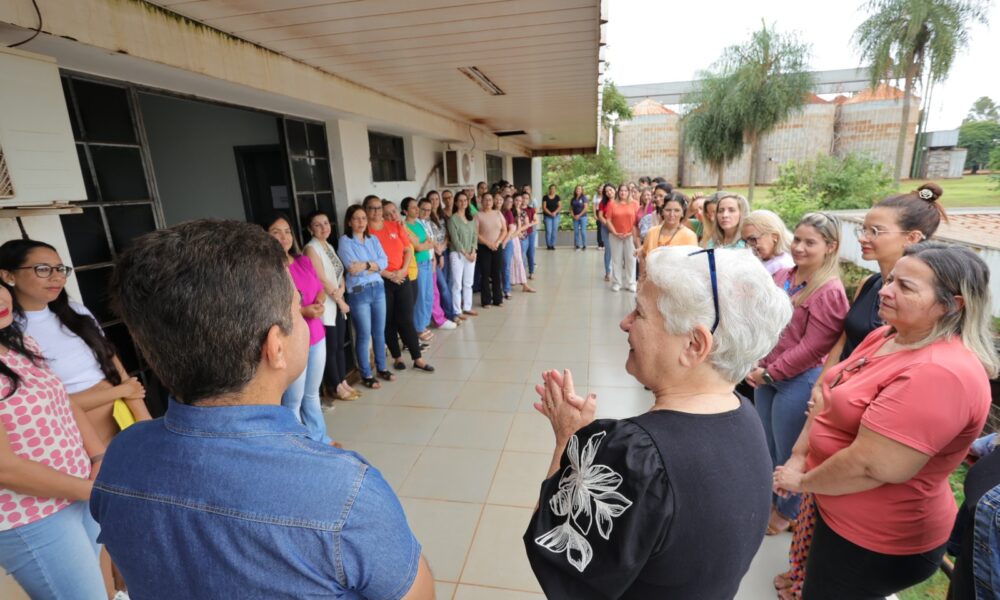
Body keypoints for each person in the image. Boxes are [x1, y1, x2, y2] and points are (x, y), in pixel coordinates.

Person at [92, 219, 434, 598]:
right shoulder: (345, 492)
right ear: (275, 345)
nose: (305, 316)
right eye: (296, 309)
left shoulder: (122, 455)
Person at [524, 246, 793, 598]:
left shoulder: (636, 455)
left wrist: (568, 442)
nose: (624, 322)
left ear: (694, 344)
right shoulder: (744, 415)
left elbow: (556, 548)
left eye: (640, 312)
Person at [773, 241, 997, 599]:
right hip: (840, 515)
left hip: (876, 539)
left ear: (952, 305)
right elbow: (828, 400)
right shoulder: (887, 335)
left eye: (905, 287)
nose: (886, 291)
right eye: (891, 280)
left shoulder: (940, 373)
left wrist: (803, 482)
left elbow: (870, 467)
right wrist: (801, 454)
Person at [773, 183, 948, 599]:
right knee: (818, 508)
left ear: (913, 240)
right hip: (836, 399)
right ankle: (802, 573)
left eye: (875, 231)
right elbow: (845, 339)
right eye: (864, 229)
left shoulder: (926, 333)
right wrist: (825, 381)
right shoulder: (871, 286)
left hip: (863, 420)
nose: (864, 239)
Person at [0, 280, 109, 599]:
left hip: (78, 488)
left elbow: (65, 401)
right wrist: (94, 490)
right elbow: (5, 469)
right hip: (31, 514)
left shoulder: (20, 342)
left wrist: (99, 458)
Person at [745, 213, 849, 535]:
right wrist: (756, 363)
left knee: (790, 451)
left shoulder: (829, 291)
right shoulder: (784, 276)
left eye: (810, 242)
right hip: (766, 374)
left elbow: (812, 347)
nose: (800, 247)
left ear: (830, 247)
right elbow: (767, 323)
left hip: (796, 380)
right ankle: (769, 499)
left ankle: (786, 511)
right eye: (798, 240)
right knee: (767, 445)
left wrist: (770, 373)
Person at [0, 240, 153, 445]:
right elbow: (48, 403)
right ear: (8, 276)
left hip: (122, 418)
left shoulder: (75, 312)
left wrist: (143, 419)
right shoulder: (11, 333)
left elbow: (113, 362)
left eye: (60, 269)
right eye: (43, 269)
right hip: (79, 438)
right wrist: (121, 391)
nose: (57, 277)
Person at [265, 214, 331, 444]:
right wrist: (303, 312)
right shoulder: (267, 271)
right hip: (292, 339)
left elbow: (319, 287)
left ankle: (320, 440)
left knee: (312, 394)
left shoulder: (303, 261)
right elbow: (271, 309)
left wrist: (320, 302)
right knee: (293, 400)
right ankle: (299, 446)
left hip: (315, 335)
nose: (284, 237)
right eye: (276, 232)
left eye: (287, 231)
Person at [365, 196, 434, 373]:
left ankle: (417, 358)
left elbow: (407, 250)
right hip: (382, 281)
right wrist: (389, 274)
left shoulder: (396, 226)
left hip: (402, 277)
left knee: (406, 319)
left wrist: (403, 271)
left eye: (378, 208)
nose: (377, 212)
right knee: (389, 321)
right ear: (366, 211)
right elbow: (367, 260)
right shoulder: (366, 232)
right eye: (372, 208)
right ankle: (397, 357)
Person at [303, 210, 359, 402]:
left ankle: (343, 381)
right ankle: (335, 385)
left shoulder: (328, 245)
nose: (323, 228)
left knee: (339, 347)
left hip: (337, 302)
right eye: (317, 225)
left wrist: (342, 288)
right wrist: (341, 300)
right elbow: (322, 280)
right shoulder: (311, 248)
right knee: (331, 347)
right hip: (326, 305)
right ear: (310, 229)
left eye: (326, 223)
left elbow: (338, 272)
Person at [337, 205, 390, 389]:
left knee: (379, 332)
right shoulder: (345, 241)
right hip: (359, 293)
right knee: (364, 335)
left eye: (364, 219)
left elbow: (384, 262)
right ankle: (366, 374)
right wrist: (373, 266)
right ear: (349, 222)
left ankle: (382, 367)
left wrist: (366, 265)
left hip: (378, 289)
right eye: (357, 219)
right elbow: (352, 268)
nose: (361, 222)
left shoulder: (373, 239)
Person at [420, 196, 460, 329]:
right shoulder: (420, 223)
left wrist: (439, 255)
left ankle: (444, 315)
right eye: (423, 209)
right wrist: (439, 254)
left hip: (434, 257)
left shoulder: (427, 222)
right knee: (439, 288)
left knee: (440, 288)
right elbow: (427, 244)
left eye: (428, 210)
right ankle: (444, 316)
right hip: (426, 261)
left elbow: (434, 240)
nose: (426, 212)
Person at [402, 197, 437, 337]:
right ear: (405, 211)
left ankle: (424, 323)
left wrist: (425, 246)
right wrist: (424, 245)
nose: (417, 210)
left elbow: (429, 241)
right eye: (413, 207)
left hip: (427, 261)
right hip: (418, 264)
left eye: (417, 207)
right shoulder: (405, 226)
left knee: (429, 294)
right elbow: (416, 246)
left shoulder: (419, 224)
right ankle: (418, 327)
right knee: (420, 296)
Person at [447, 192, 479, 319]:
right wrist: (466, 254)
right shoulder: (452, 219)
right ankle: (457, 310)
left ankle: (467, 307)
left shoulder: (471, 218)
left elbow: (474, 236)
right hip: (457, 254)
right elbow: (455, 240)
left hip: (471, 254)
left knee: (468, 282)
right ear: (456, 203)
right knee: (457, 284)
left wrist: (473, 251)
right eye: (460, 200)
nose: (463, 202)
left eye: (465, 200)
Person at [640, 193, 699, 260]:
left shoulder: (689, 236)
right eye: (668, 210)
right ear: (662, 211)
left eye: (677, 210)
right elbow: (643, 255)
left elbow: (693, 263)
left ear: (682, 213)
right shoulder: (652, 232)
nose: (672, 214)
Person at [605, 183, 640, 292]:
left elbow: (638, 220)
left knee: (631, 259)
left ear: (629, 192)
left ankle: (631, 283)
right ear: (618, 192)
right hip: (615, 236)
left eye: (625, 190)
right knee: (616, 259)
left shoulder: (635, 204)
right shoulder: (612, 204)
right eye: (621, 191)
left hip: (630, 236)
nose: (623, 192)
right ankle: (617, 283)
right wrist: (615, 232)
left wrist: (630, 233)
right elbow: (608, 220)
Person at [475, 192, 506, 308]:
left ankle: (498, 299)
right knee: (485, 274)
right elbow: (476, 233)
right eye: (486, 200)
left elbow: (504, 230)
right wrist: (488, 244)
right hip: (484, 248)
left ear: (493, 202)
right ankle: (486, 301)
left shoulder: (498, 213)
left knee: (497, 273)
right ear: (481, 202)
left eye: (490, 200)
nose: (488, 202)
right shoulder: (478, 215)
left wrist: (497, 242)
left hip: (497, 247)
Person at [742, 209, 795, 275]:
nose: (748, 246)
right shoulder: (759, 262)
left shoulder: (782, 267)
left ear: (774, 237)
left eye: (753, 239)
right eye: (745, 241)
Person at [510, 195, 536, 294]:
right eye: (516, 200)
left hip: (520, 237)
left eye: (520, 200)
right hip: (511, 237)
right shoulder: (510, 211)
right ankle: (511, 281)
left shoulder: (523, 212)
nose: (518, 202)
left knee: (520, 259)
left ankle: (524, 284)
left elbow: (527, 224)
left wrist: (519, 231)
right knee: (511, 261)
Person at [596, 184, 615, 280]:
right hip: (606, 228)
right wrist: (608, 225)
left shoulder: (619, 201)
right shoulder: (603, 202)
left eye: (610, 190)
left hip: (618, 229)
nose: (609, 192)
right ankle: (608, 272)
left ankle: (617, 273)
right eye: (606, 191)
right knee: (608, 250)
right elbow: (600, 216)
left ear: (614, 190)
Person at [522, 194, 539, 279]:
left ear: (529, 200)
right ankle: (522, 273)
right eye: (523, 198)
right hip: (521, 234)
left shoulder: (531, 209)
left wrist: (529, 224)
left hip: (530, 233)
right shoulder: (517, 209)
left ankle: (531, 271)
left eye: (527, 198)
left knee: (531, 252)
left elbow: (536, 221)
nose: (525, 200)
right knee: (522, 253)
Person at [542, 185, 562, 250]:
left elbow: (560, 206)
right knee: (548, 231)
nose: (552, 190)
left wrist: (555, 212)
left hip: (556, 216)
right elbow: (544, 207)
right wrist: (550, 213)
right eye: (551, 189)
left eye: (554, 189)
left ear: (555, 190)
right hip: (547, 216)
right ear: (549, 189)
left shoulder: (557, 197)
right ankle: (548, 245)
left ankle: (552, 245)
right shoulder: (545, 197)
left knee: (554, 231)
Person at [570, 185, 589, 250]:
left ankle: (584, 245)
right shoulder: (573, 199)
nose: (578, 190)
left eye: (580, 189)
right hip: (575, 218)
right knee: (576, 232)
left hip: (583, 217)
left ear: (581, 190)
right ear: (575, 190)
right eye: (577, 189)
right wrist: (573, 215)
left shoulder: (584, 198)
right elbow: (571, 209)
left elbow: (586, 208)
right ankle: (577, 245)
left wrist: (579, 215)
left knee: (583, 232)